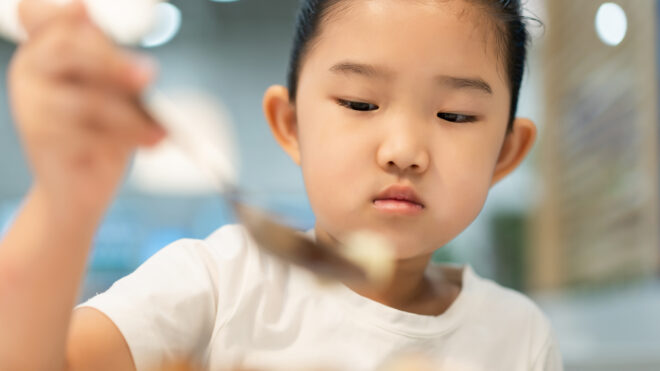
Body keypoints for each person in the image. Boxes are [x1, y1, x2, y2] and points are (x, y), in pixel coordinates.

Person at [0, 0, 563, 370]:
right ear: (290, 125)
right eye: (360, 103)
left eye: (455, 116)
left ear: (505, 153)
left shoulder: (518, 336)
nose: (404, 152)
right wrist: (63, 206)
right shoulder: (219, 284)